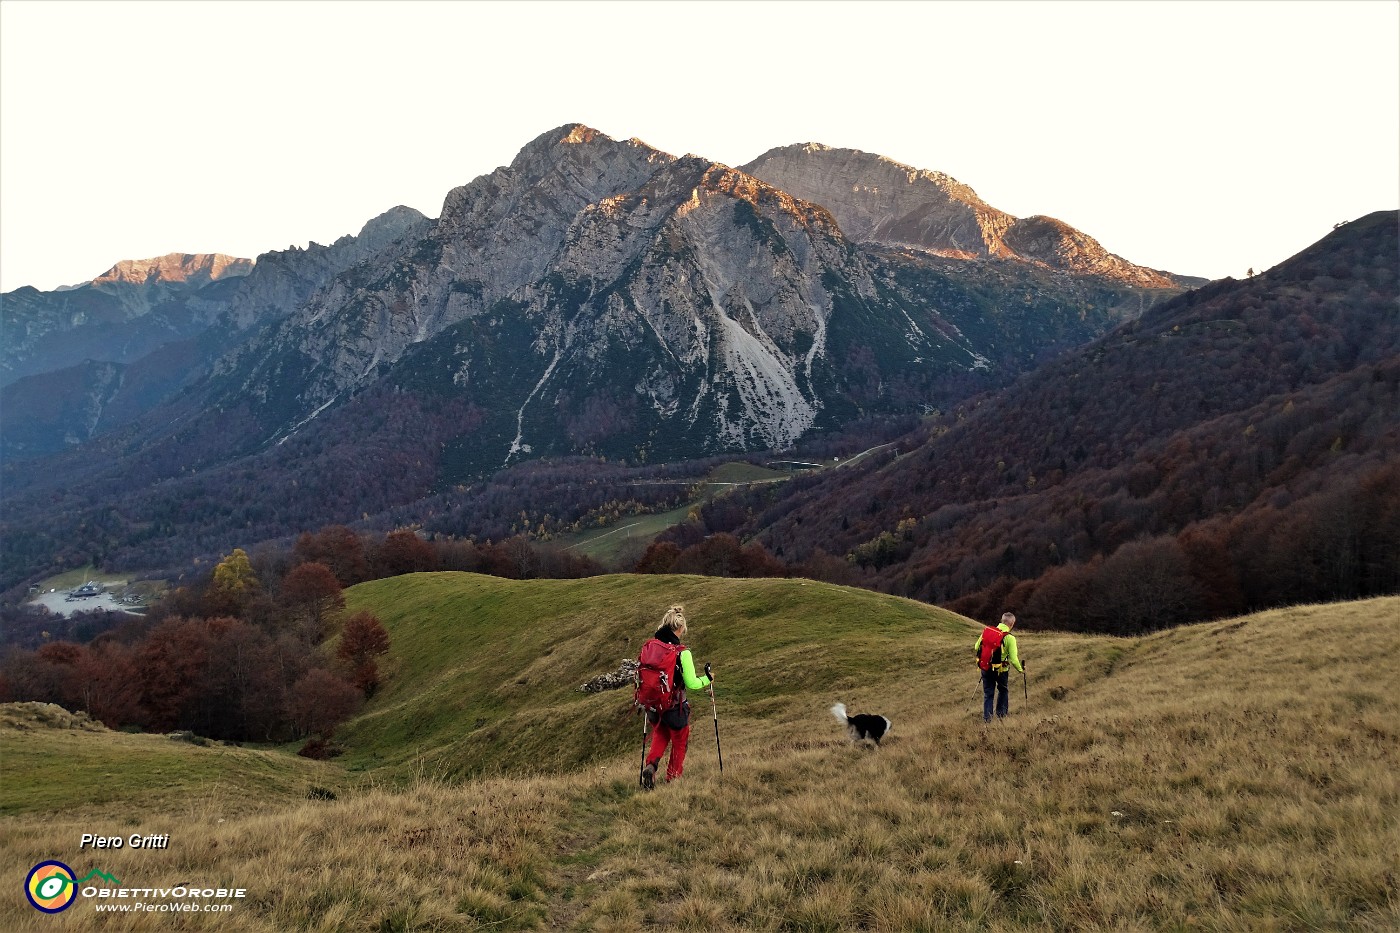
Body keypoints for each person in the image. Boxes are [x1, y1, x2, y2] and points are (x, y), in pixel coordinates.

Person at [641, 605, 713, 788]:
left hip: (654, 706)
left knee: (660, 734)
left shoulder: (651, 647)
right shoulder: (682, 652)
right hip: (675, 707)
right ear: (680, 628)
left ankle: (651, 766)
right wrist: (708, 679)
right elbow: (692, 683)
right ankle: (673, 779)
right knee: (680, 742)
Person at [974, 611, 1023, 722]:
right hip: (1001, 670)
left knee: (988, 693)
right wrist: (1021, 670)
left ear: (1002, 621)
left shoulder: (987, 631)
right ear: (1012, 624)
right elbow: (1014, 659)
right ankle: (1001, 715)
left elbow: (976, 646)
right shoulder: (1010, 638)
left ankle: (987, 719)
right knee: (1003, 690)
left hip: (986, 667)